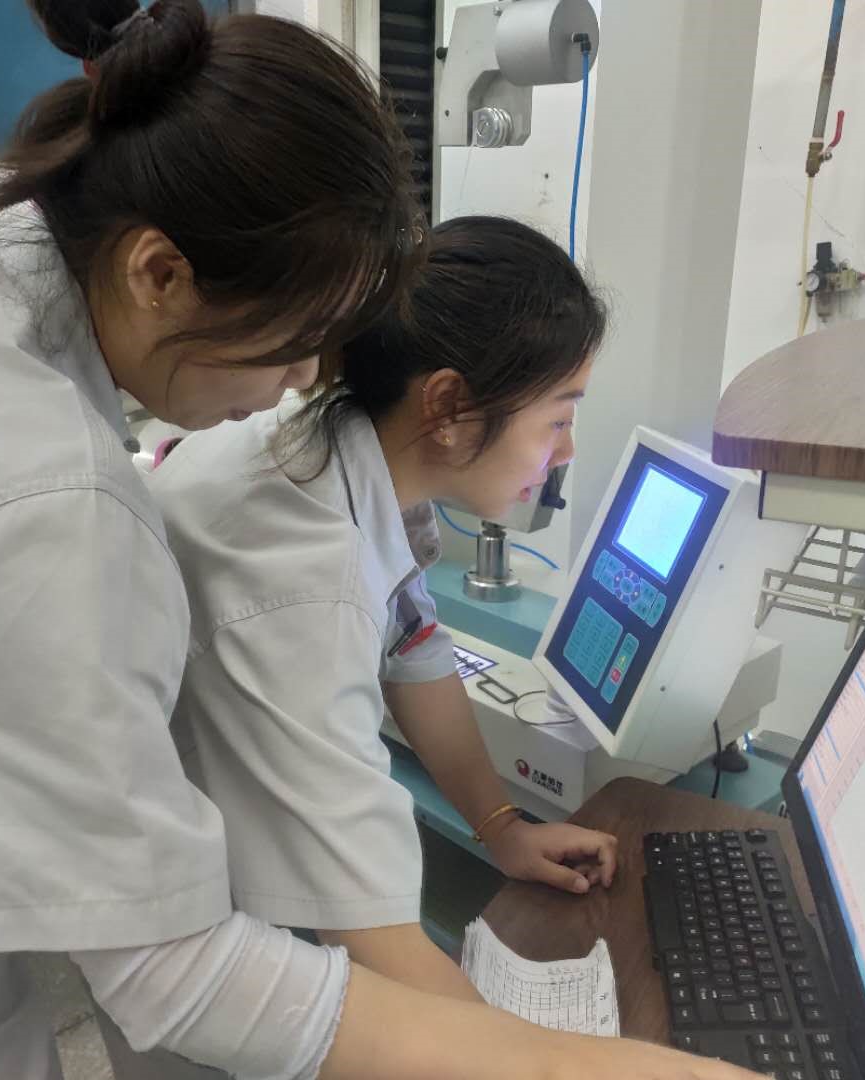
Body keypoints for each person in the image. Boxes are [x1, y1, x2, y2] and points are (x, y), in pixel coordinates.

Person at [0, 0, 760, 1074]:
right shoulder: (41, 498)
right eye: (295, 342)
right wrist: (573, 1068)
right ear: (159, 273)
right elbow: (172, 969)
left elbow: (410, 635)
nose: (304, 380)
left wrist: (498, 823)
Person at [147, 215, 620, 1005]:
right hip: (180, 912)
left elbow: (414, 643)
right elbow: (372, 935)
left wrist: (503, 827)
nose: (565, 452)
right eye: (559, 419)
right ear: (449, 406)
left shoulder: (340, 442)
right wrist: (554, 1057)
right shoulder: (308, 579)